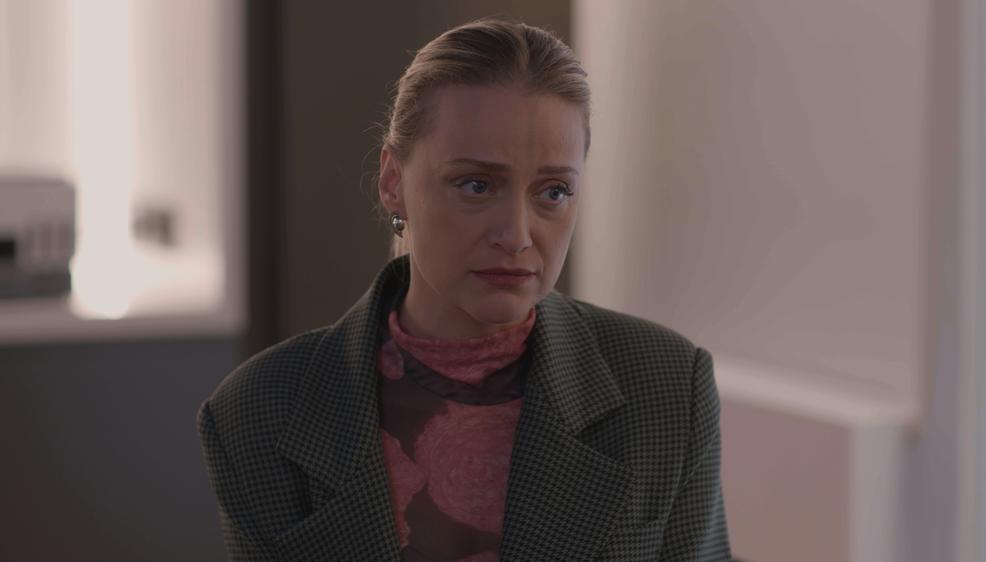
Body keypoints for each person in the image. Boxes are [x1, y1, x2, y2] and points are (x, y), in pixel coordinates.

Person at [196, 16, 731, 562]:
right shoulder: (259, 410)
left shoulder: (666, 387)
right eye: (476, 185)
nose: (517, 236)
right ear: (393, 181)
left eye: (553, 192)